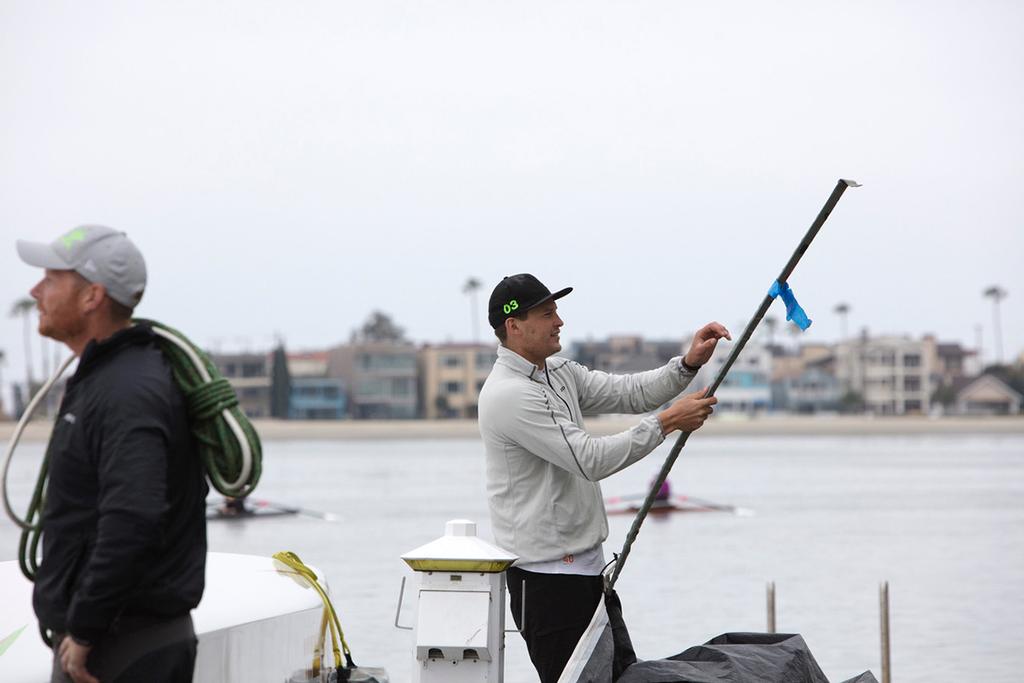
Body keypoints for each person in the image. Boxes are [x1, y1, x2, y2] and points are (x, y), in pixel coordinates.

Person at [477, 273, 729, 683]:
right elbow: (589, 458)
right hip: (547, 584)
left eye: (557, 310)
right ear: (514, 325)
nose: (559, 321)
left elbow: (628, 393)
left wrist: (687, 365)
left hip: (587, 572)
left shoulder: (557, 372)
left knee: (622, 677)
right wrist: (666, 423)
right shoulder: (508, 394)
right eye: (547, 313)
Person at [17, 225, 207, 683]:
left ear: (92, 297)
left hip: (122, 648)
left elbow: (133, 516)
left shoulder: (127, 391)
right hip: (113, 640)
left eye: (52, 279)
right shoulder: (108, 377)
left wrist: (84, 629)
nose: (35, 290)